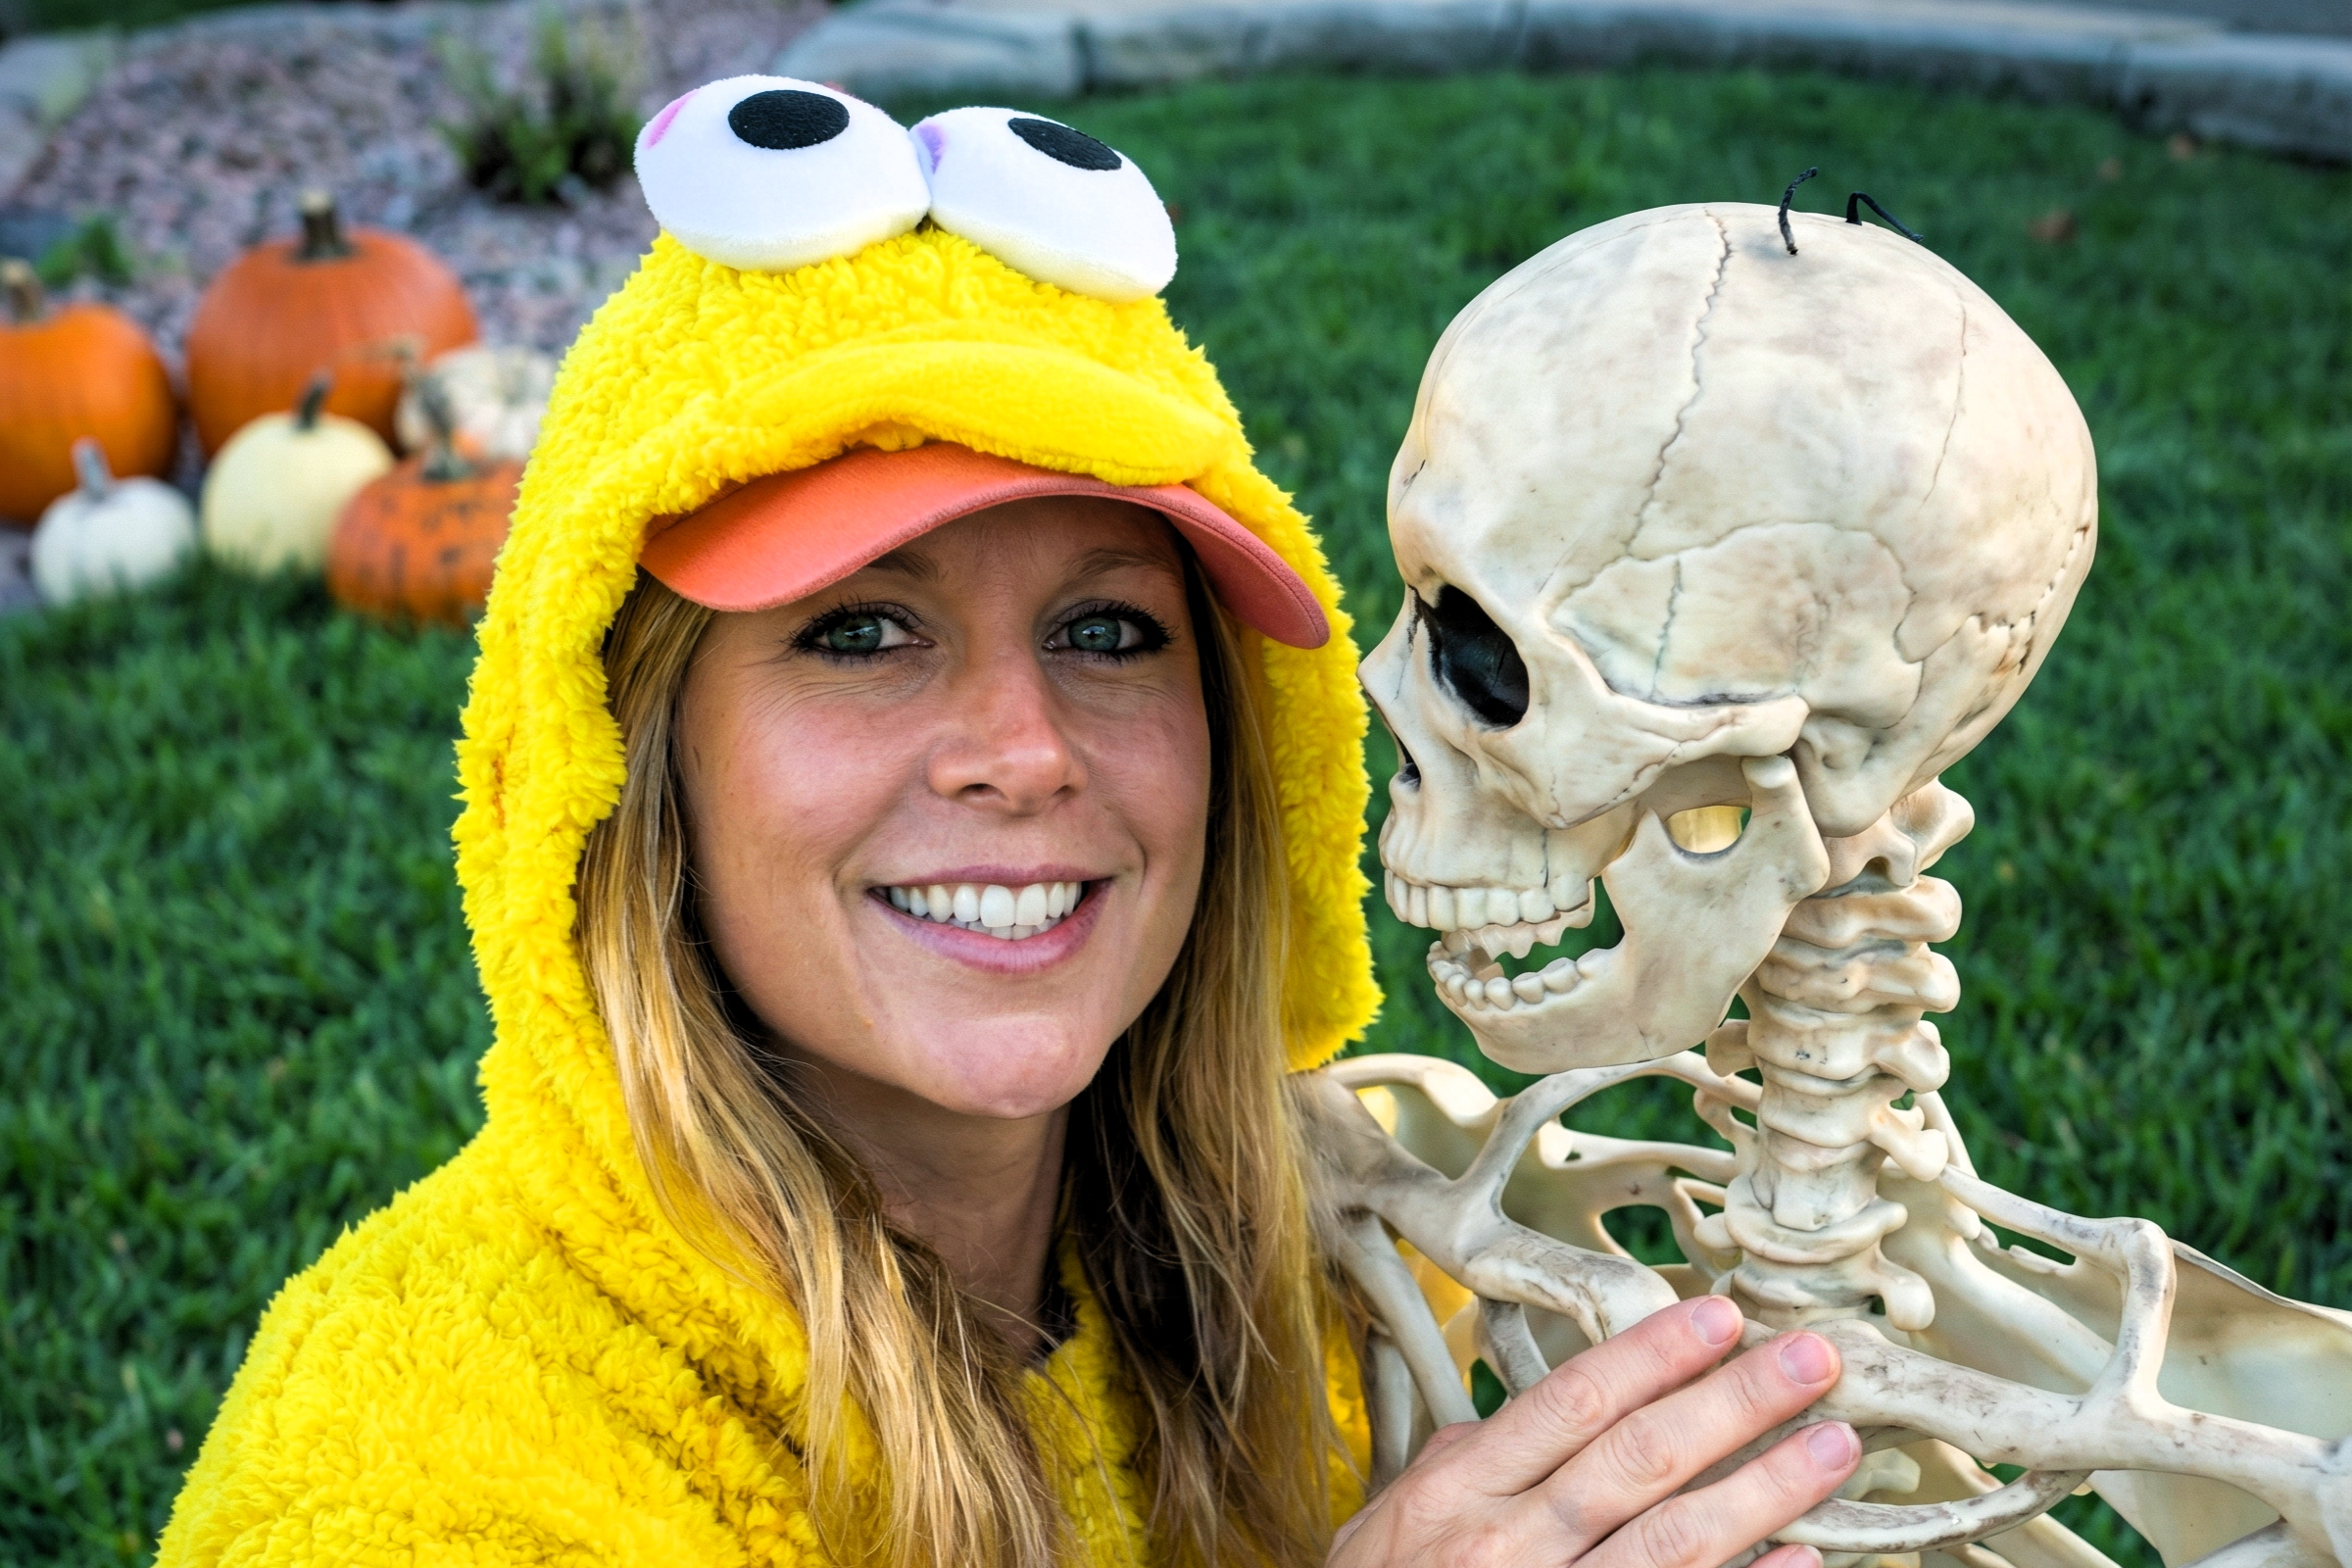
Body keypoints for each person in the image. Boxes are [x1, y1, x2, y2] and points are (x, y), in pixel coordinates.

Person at [157, 83, 1861, 1567]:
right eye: (860, 631)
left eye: (1106, 629)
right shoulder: (409, 1478)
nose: (1024, 752)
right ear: (627, 760)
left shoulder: (1338, 1289)